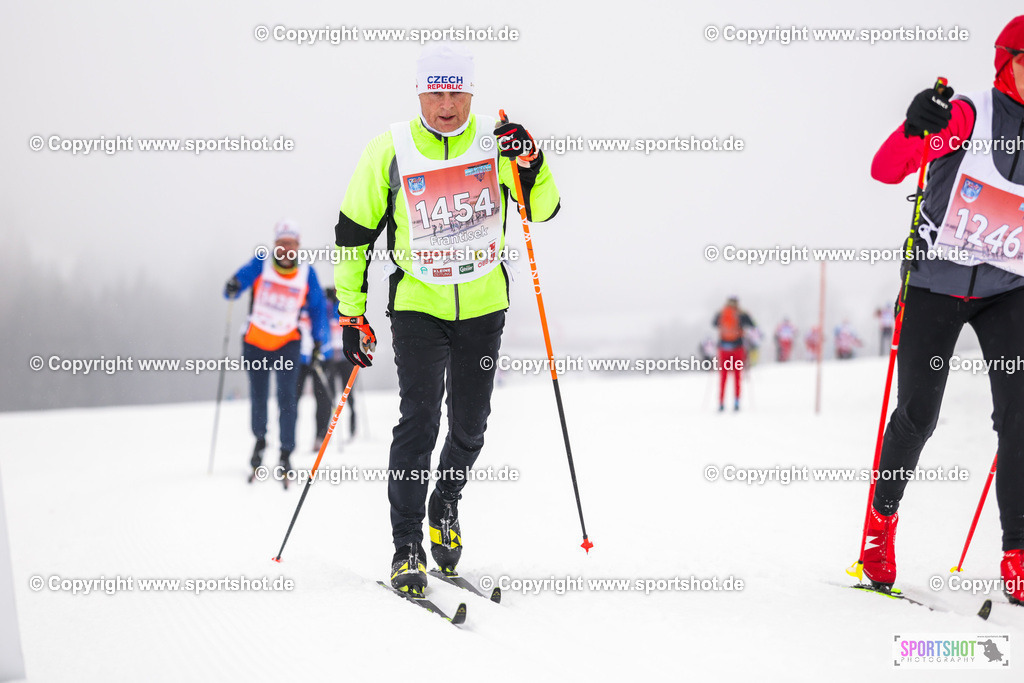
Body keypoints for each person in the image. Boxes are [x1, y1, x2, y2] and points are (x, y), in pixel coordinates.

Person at [332, 44, 561, 594]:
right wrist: (351, 313)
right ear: (419, 93)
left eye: (457, 91)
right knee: (419, 420)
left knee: (470, 425)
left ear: (472, 93)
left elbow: (543, 208)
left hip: (483, 307)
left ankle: (446, 502)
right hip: (418, 307)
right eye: (436, 91)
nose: (447, 104)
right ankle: (406, 544)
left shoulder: (496, 141)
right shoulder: (389, 148)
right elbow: (353, 233)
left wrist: (532, 162)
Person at [862, 16, 1024, 603]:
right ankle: (881, 527)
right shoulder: (968, 116)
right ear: (1008, 62)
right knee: (918, 414)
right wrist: (914, 127)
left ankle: (1018, 551)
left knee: (1019, 415)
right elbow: (887, 168)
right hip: (936, 285)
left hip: (1007, 291)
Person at [224, 220, 330, 479]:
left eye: (291, 244)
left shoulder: (307, 273)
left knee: (287, 400)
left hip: (287, 344)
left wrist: (319, 342)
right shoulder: (262, 263)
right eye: (281, 244)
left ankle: (286, 451)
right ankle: (260, 442)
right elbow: (236, 286)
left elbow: (317, 309)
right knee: (259, 397)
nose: (286, 250)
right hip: (255, 343)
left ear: (298, 246)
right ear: (275, 245)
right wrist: (232, 286)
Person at [295, 303, 334, 449]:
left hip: (321, 355)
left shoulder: (321, 300)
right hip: (298, 357)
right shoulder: (296, 299)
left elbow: (335, 315)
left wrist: (335, 299)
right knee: (291, 399)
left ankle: (321, 436)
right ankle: (288, 439)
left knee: (323, 398)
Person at [325, 287, 358, 440]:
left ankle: (353, 428)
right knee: (329, 395)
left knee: (349, 395)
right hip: (331, 357)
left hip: (346, 358)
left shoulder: (345, 306)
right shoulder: (326, 307)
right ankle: (328, 429)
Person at [712, 296, 755, 411]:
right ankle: (736, 401)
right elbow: (752, 324)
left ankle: (721, 402)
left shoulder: (721, 313)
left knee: (723, 377)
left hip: (723, 348)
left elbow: (714, 324)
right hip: (738, 348)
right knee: (737, 375)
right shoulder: (741, 314)